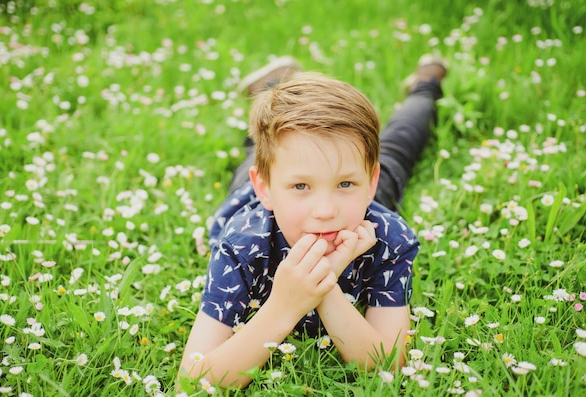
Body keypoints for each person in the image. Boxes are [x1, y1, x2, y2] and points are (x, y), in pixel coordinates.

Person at [178, 54, 447, 388]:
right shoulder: (242, 244)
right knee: (262, 148)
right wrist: (284, 305)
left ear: (369, 183)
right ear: (266, 189)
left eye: (345, 184)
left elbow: (386, 366)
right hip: (256, 204)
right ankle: (272, 87)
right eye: (301, 187)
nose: (325, 210)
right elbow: (193, 382)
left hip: (362, 206)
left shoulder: (388, 238)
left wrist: (325, 287)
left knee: (402, 141)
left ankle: (426, 85)